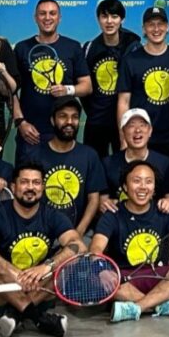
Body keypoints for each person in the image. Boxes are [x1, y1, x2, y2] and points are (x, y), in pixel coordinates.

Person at [0, 162, 84, 337]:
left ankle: (16, 315)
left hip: (38, 289)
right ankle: (38, 318)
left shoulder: (52, 215)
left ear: (43, 187)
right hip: (0, 293)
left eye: (36, 183)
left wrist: (48, 266)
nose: (30, 187)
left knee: (63, 263)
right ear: (14, 187)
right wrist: (14, 273)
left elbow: (78, 246)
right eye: (24, 182)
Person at [93, 161, 169, 322]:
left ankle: (138, 308)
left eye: (149, 182)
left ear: (154, 188)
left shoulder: (164, 212)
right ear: (125, 186)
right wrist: (102, 270)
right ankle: (160, 305)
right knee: (97, 278)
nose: (143, 187)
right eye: (136, 181)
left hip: (160, 276)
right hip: (125, 280)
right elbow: (96, 248)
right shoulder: (112, 215)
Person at [13, 0, 92, 161]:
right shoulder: (21, 48)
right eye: (42, 14)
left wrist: (67, 89)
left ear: (59, 18)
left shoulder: (73, 47)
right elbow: (11, 91)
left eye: (52, 13)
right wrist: (21, 122)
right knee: (28, 184)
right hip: (30, 132)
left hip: (63, 132)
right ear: (36, 18)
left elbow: (87, 86)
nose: (47, 18)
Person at [26, 96, 107, 237]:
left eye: (74, 117)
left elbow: (94, 199)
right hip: (41, 235)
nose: (69, 122)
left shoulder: (89, 155)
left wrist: (78, 234)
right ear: (53, 120)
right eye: (63, 116)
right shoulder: (35, 155)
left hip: (80, 234)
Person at [116, 5, 169, 157]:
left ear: (168, 27)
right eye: (151, 25)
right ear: (144, 29)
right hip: (140, 136)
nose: (156, 29)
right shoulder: (130, 60)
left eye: (160, 24)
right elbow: (123, 102)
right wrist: (123, 139)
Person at [81, 0, 140, 158]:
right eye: (104, 16)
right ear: (98, 19)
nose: (109, 21)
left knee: (123, 169)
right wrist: (93, 111)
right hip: (97, 121)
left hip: (125, 121)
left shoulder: (134, 47)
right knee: (94, 169)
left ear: (122, 19)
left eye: (114, 16)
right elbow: (84, 85)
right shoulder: (89, 48)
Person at [101, 108, 169, 215]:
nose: (137, 130)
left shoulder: (165, 163)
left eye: (142, 125)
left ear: (150, 130)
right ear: (123, 131)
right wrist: (104, 204)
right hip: (120, 223)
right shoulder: (107, 163)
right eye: (131, 125)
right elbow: (102, 200)